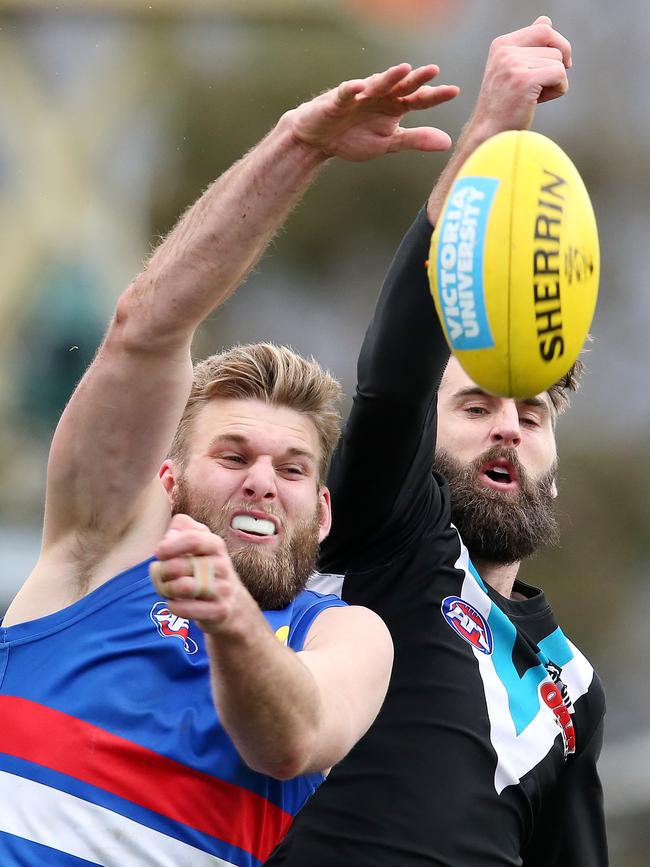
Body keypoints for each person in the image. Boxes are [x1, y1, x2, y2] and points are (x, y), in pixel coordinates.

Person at [0, 65, 461, 866]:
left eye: (290, 469)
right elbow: (146, 325)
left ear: (321, 513)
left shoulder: (348, 636)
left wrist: (231, 620)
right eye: (232, 453)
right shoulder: (92, 552)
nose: (260, 480)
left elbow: (292, 739)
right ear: (168, 482)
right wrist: (300, 142)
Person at [267, 16, 608, 867]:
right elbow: (392, 379)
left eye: (531, 417)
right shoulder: (386, 540)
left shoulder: (571, 685)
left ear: (554, 469)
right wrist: (490, 134)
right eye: (476, 406)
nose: (506, 424)